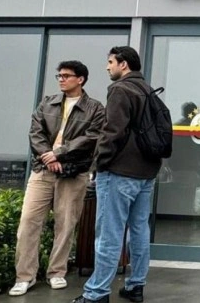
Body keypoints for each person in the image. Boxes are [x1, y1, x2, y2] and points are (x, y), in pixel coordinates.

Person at [73, 47, 162, 303]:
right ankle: (136, 286)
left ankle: (97, 293)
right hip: (146, 172)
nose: (107, 67)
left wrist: (98, 165)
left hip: (119, 171)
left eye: (111, 62)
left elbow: (112, 131)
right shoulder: (148, 90)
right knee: (139, 230)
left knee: (109, 233)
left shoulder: (120, 89)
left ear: (123, 64)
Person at [9, 61, 104, 296]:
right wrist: (48, 156)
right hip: (43, 170)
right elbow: (35, 132)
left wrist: (59, 153)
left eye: (66, 75)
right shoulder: (47, 102)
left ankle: (56, 272)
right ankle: (25, 276)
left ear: (80, 79)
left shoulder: (95, 108)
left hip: (73, 173)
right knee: (28, 221)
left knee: (66, 224)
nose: (61, 79)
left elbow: (91, 138)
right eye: (59, 76)